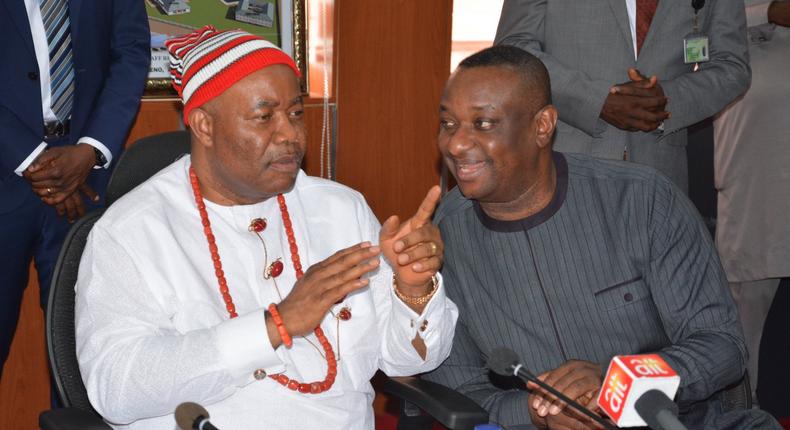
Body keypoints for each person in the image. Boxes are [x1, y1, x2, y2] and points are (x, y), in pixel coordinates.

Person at [74, 26, 458, 429]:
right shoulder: (131, 231)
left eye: (295, 112)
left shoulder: (340, 209)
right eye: (264, 117)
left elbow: (410, 360)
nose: (291, 134)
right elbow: (114, 388)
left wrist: (412, 290)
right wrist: (275, 326)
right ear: (204, 126)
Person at [423, 46, 779, 429]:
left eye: (484, 123)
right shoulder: (443, 240)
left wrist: (619, 382)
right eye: (448, 124)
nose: (456, 144)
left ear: (542, 126)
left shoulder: (642, 200)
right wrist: (533, 414)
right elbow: (460, 386)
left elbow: (720, 346)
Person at [0, 0, 150, 376]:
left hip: (87, 180)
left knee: (80, 350)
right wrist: (35, 161)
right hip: (8, 168)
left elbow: (131, 51)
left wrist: (91, 150)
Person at [494, 0, 751, 193]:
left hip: (661, 177)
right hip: (563, 167)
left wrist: (665, 102)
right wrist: (597, 100)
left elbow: (732, 67)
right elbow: (513, 50)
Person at [713, 0, 790, 407]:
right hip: (759, 176)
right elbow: (690, 36)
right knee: (744, 317)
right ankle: (737, 414)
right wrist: (769, 13)